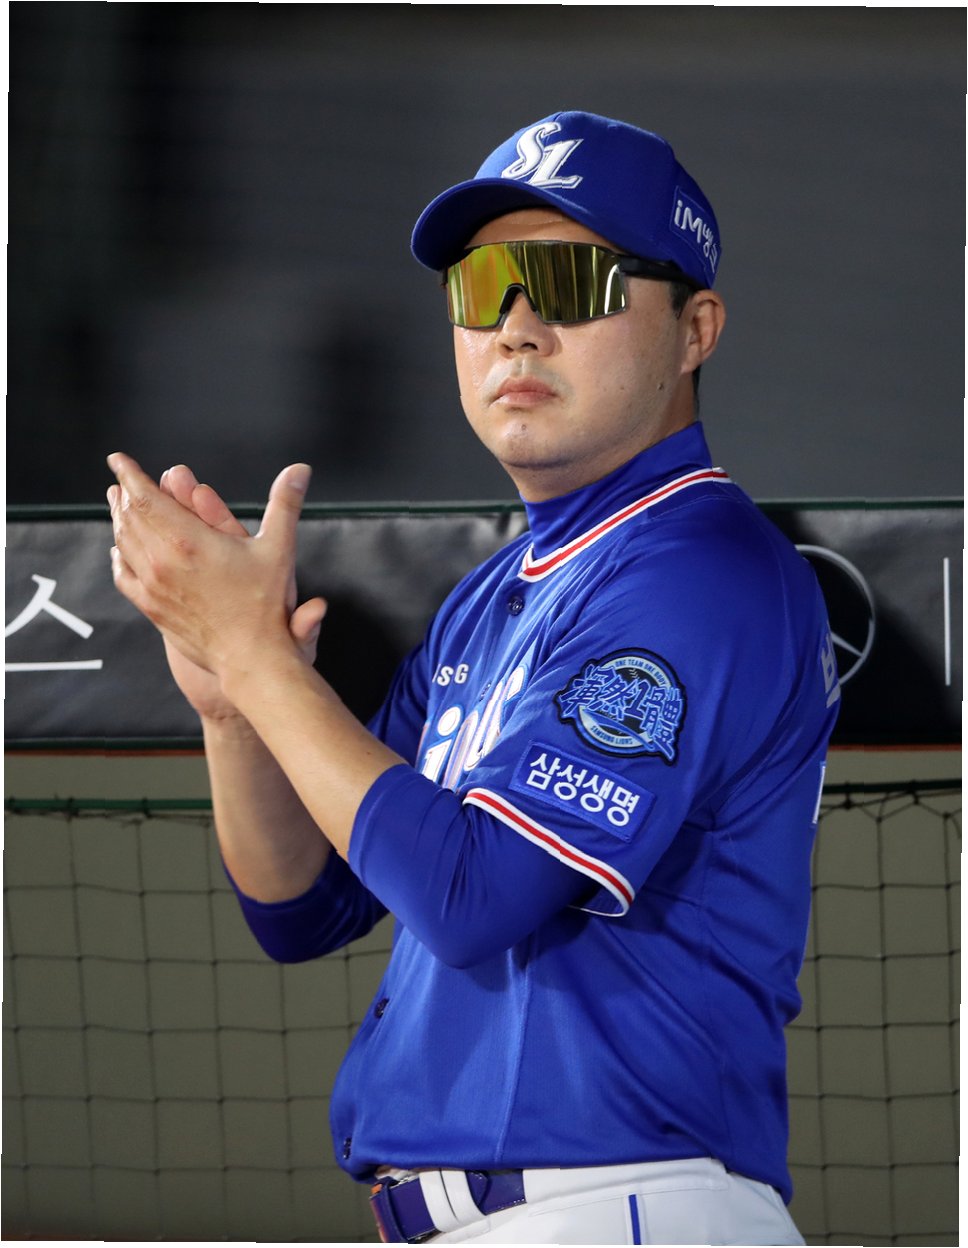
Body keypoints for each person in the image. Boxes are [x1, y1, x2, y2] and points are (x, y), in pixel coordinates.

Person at [107, 111, 840, 1245]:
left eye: (573, 282)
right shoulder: (493, 595)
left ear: (694, 329)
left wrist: (256, 654)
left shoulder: (699, 566)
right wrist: (233, 702)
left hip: (621, 1203)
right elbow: (304, 905)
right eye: (483, 285)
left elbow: (472, 896)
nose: (516, 327)